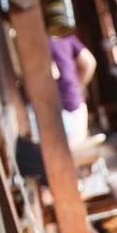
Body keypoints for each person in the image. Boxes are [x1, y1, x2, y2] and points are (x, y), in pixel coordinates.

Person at [48, 16, 98, 145]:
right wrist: (80, 85)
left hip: (55, 105)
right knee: (79, 149)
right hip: (73, 99)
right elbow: (89, 61)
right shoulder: (67, 37)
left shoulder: (39, 43)